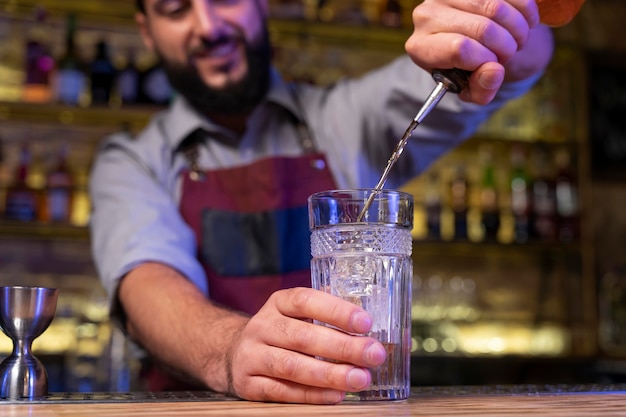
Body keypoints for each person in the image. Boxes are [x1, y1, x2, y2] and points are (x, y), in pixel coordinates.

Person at [89, 0, 554, 404]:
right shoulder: (132, 162)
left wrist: (480, 22)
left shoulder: (344, 119)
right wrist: (231, 351)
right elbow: (146, 285)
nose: (208, 26)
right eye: (175, 9)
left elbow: (527, 55)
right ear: (147, 31)